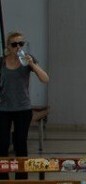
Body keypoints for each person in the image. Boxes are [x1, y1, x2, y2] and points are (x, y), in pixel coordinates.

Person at [0, 31, 49, 159]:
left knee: (20, 144)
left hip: (22, 108)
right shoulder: (2, 62)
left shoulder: (27, 61)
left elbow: (45, 79)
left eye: (21, 44)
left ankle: (21, 177)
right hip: (3, 108)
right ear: (8, 47)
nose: (18, 47)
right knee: (2, 144)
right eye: (14, 44)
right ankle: (3, 177)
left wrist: (32, 64)